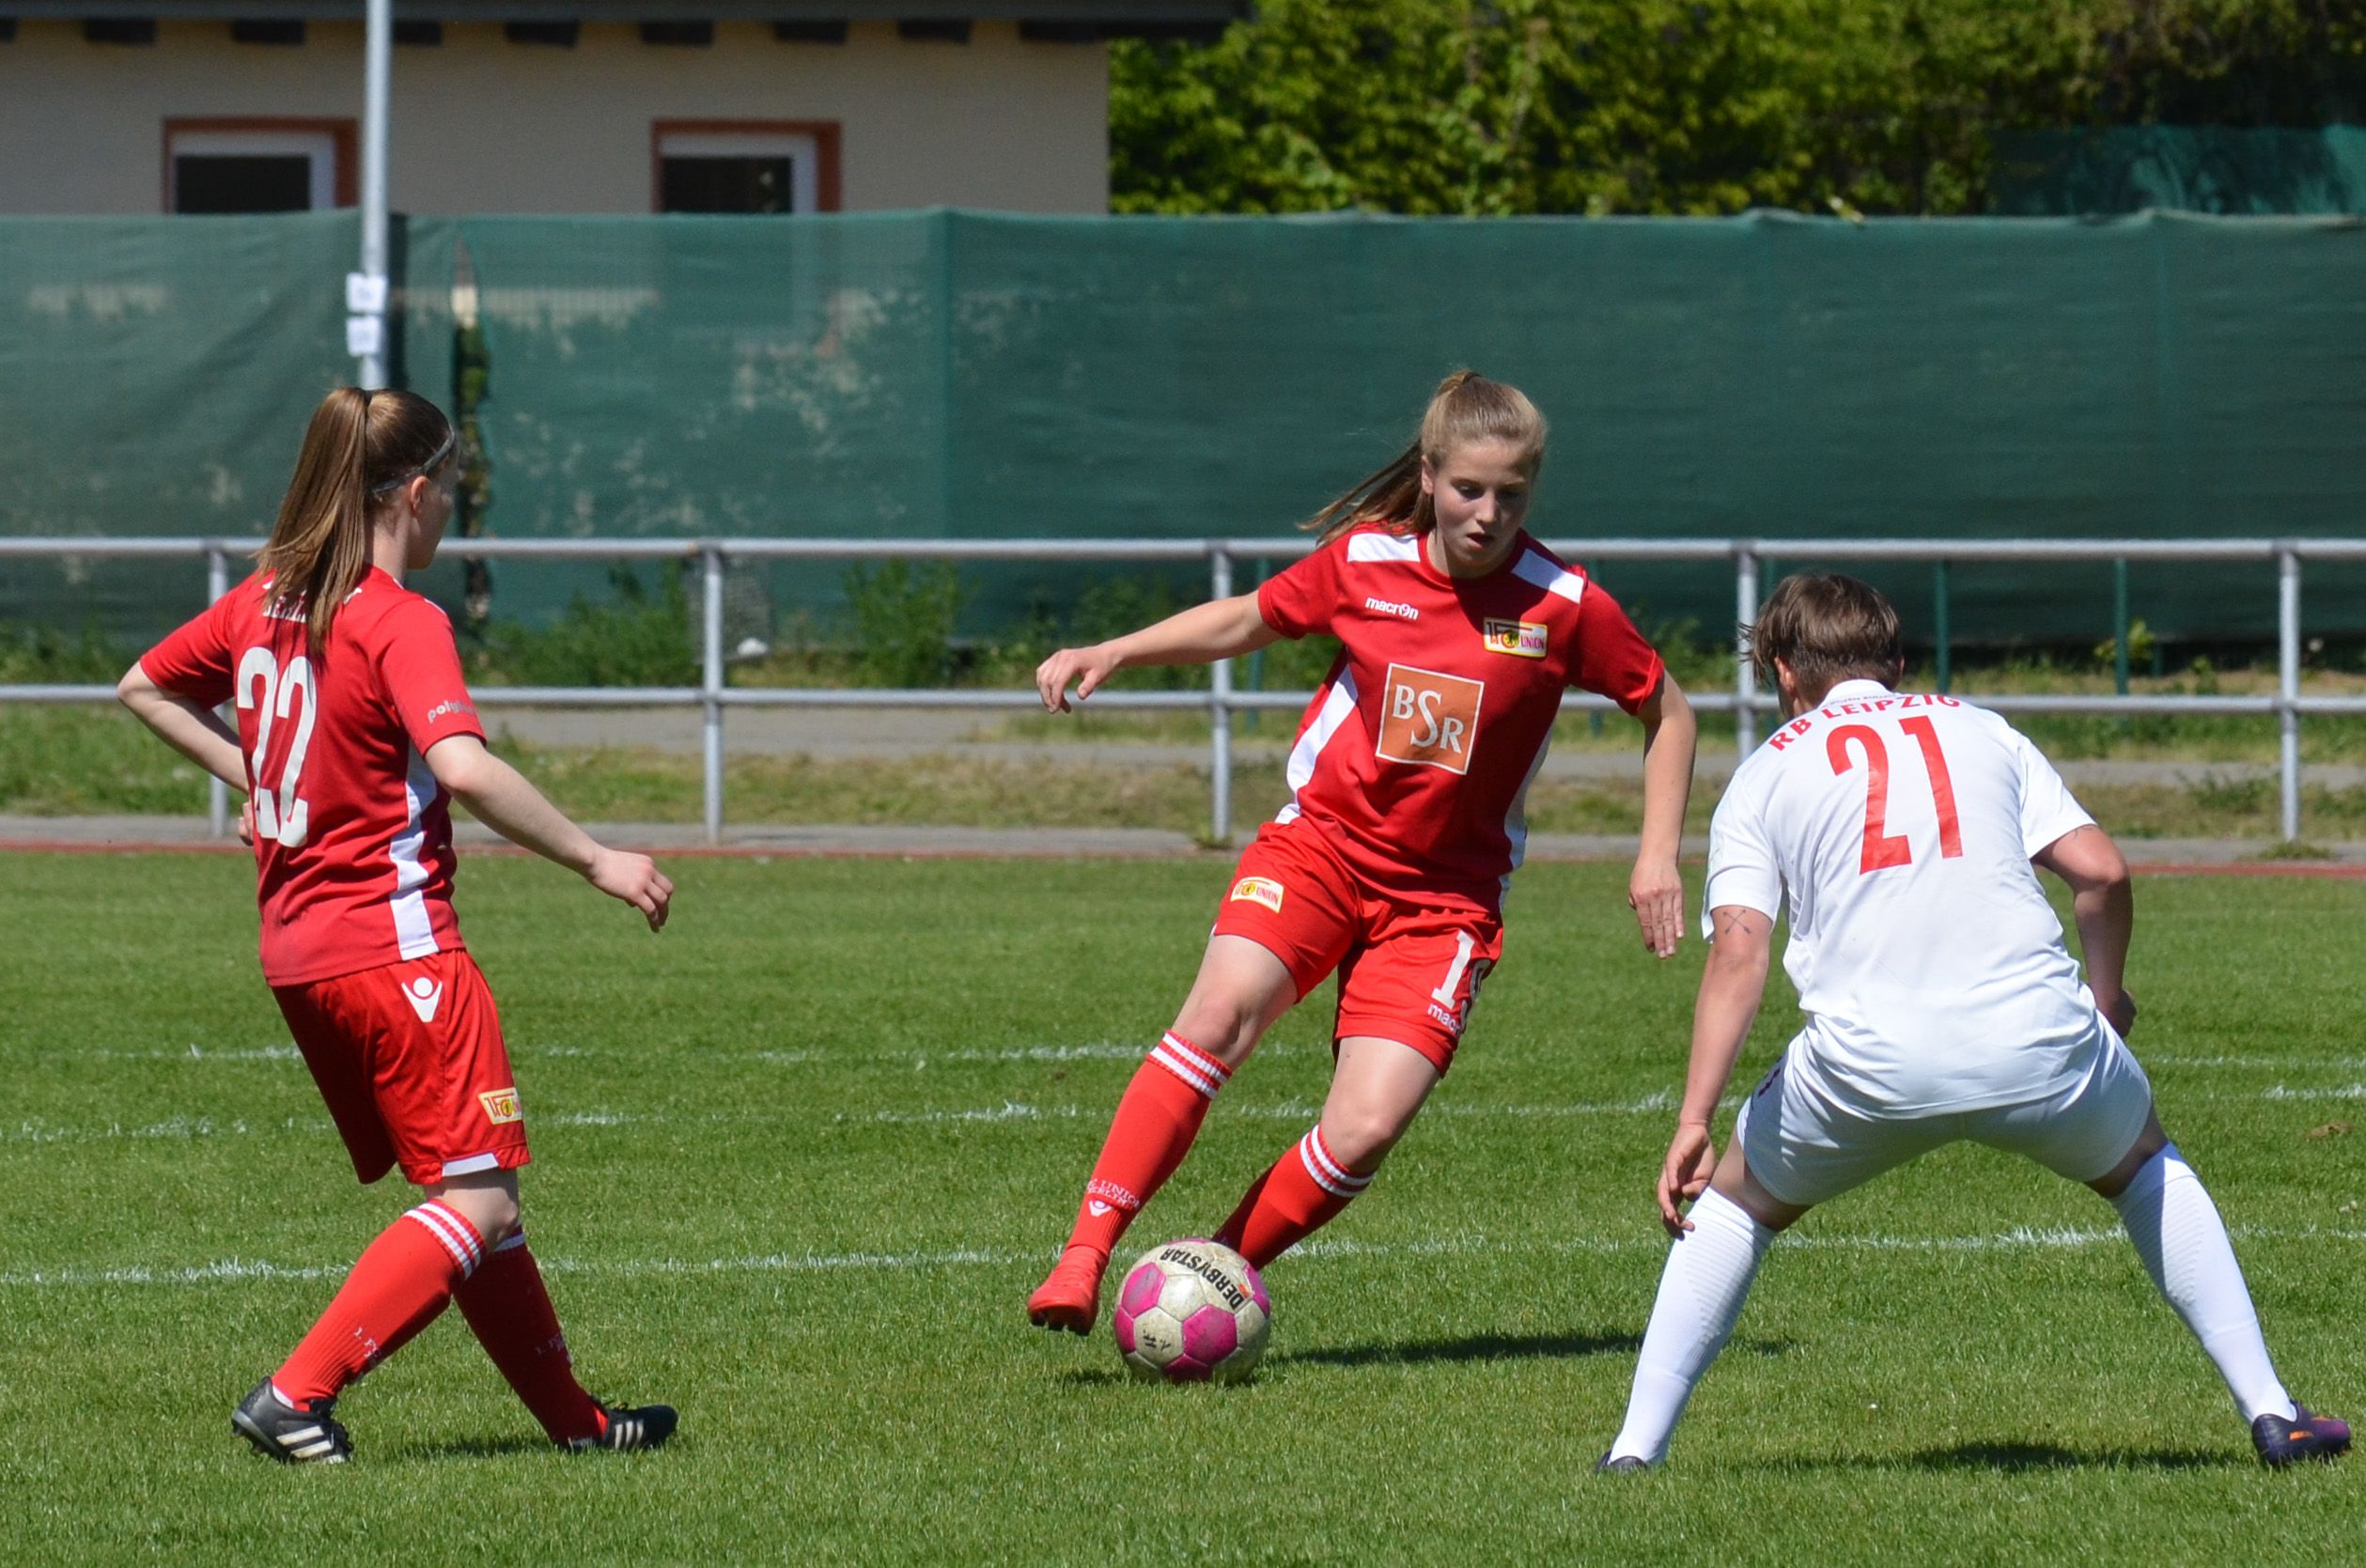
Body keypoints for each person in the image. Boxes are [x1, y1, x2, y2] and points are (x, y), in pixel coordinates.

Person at [1598, 573, 2348, 1470]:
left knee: (1736, 1206)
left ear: (1784, 673)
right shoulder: (1981, 727)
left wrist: (1693, 1119)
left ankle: (1634, 1452)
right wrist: (2105, 1005)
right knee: (2146, 1162)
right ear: (1900, 662)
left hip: (1864, 1068)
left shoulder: (1765, 773)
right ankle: (2272, 1410)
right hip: (2037, 1041)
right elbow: (2102, 872)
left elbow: (1740, 953)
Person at [1024, 370, 1699, 1331]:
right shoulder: (1365, 564)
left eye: (1511, 494)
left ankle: (1207, 1275)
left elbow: (1667, 707)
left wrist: (1656, 855)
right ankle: (1083, 1258)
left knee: (1367, 1126)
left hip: (1444, 903)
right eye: (1469, 488)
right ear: (1428, 476)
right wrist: (1116, 651)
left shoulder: (1562, 602)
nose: (1488, 512)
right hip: (1321, 852)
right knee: (1218, 1015)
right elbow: (1249, 616)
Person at [117, 386, 678, 1463]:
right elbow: (462, 767)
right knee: (477, 1200)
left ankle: (577, 1424)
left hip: (298, 955)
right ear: (414, 494)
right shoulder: (398, 616)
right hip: (398, 949)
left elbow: (142, 685)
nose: (450, 518)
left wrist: (261, 779)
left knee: (476, 1189)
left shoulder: (267, 600)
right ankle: (294, 1394)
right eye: (452, 497)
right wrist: (600, 857)